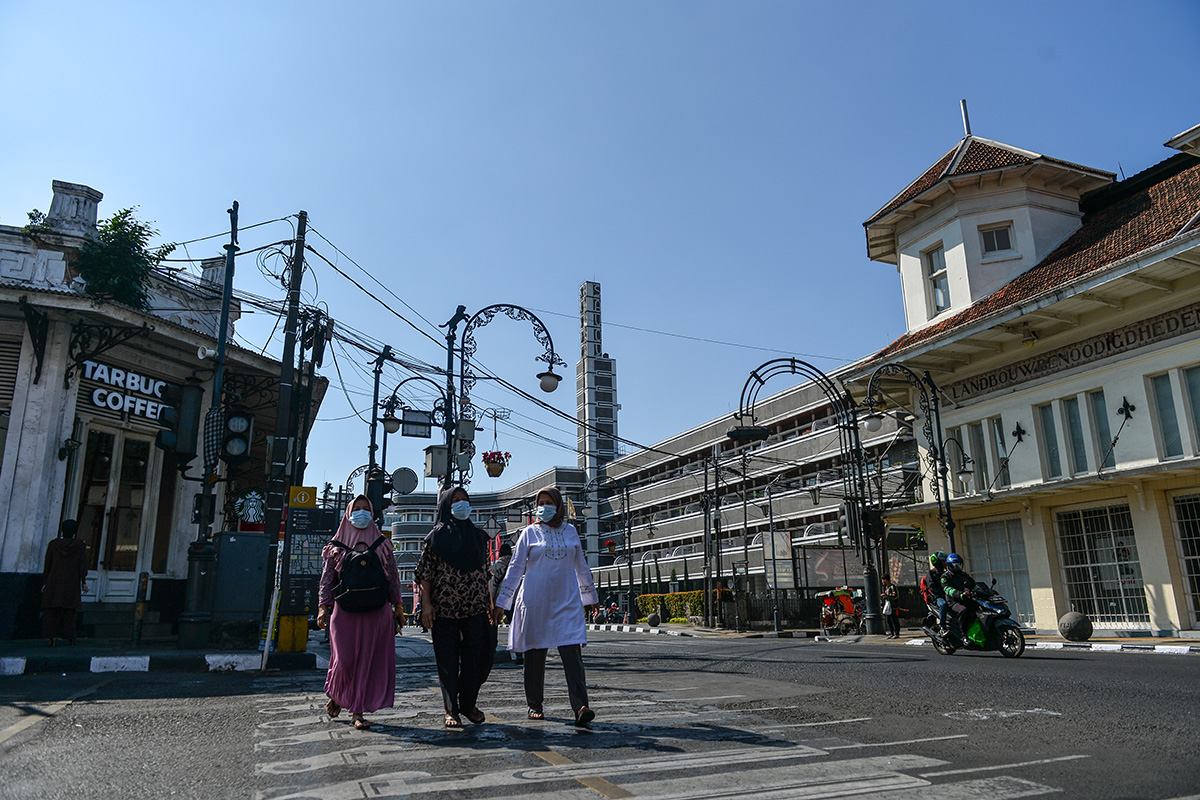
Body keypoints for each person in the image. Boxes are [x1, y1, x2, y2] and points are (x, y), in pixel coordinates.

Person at [496, 486, 598, 726]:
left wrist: (591, 597)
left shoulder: (571, 532)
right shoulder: (529, 533)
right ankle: (535, 705)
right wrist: (502, 602)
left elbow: (581, 567)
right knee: (534, 655)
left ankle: (581, 706)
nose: (544, 506)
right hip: (535, 602)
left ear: (558, 504)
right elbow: (515, 569)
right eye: (540, 502)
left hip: (567, 601)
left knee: (573, 656)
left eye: (549, 501)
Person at [317, 495, 404, 731]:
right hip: (344, 612)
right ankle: (337, 693)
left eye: (367, 508)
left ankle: (357, 711)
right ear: (348, 513)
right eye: (357, 509)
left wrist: (398, 606)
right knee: (344, 661)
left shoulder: (382, 543)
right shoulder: (336, 545)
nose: (362, 513)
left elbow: (393, 576)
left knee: (368, 662)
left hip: (377, 611)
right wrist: (323, 607)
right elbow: (327, 579)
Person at [416, 487, 494, 729]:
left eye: (465, 500)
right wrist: (426, 604)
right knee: (448, 661)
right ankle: (452, 710)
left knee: (478, 658)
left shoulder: (479, 537)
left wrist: (490, 604)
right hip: (444, 608)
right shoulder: (436, 537)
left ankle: (468, 702)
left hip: (476, 607)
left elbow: (485, 573)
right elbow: (425, 574)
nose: (461, 505)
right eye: (455, 501)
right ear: (446, 506)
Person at [42, 519, 88, 646]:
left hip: (54, 580)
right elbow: (82, 564)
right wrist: (83, 581)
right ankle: (71, 637)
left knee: (53, 611)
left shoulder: (54, 544)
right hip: (71, 581)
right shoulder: (80, 545)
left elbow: (48, 564)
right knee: (70, 611)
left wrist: (45, 582)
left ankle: (52, 637)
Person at [940, 553, 979, 645]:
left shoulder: (964, 575)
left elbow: (974, 585)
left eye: (958, 564)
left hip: (967, 599)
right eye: (954, 565)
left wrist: (985, 591)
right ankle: (964, 635)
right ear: (949, 566)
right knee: (963, 610)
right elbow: (948, 589)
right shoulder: (945, 577)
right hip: (953, 602)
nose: (957, 567)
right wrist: (961, 594)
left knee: (978, 608)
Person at [923, 551, 949, 632]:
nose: (945, 563)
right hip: (938, 598)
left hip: (948, 595)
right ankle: (942, 627)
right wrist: (942, 594)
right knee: (943, 605)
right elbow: (932, 588)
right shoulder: (931, 574)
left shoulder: (946, 573)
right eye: (943, 561)